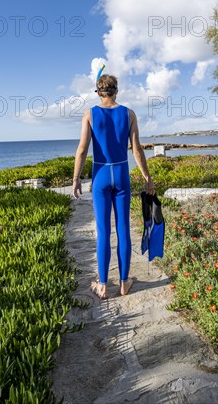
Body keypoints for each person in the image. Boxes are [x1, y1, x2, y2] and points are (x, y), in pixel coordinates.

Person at [72, 74, 155, 299]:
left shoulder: (90, 113)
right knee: (123, 229)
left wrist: (76, 178)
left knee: (103, 231)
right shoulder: (129, 114)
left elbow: (81, 149)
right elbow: (136, 150)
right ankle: (124, 282)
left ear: (99, 92)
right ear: (116, 91)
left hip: (100, 175)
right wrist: (147, 177)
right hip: (121, 174)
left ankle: (101, 285)